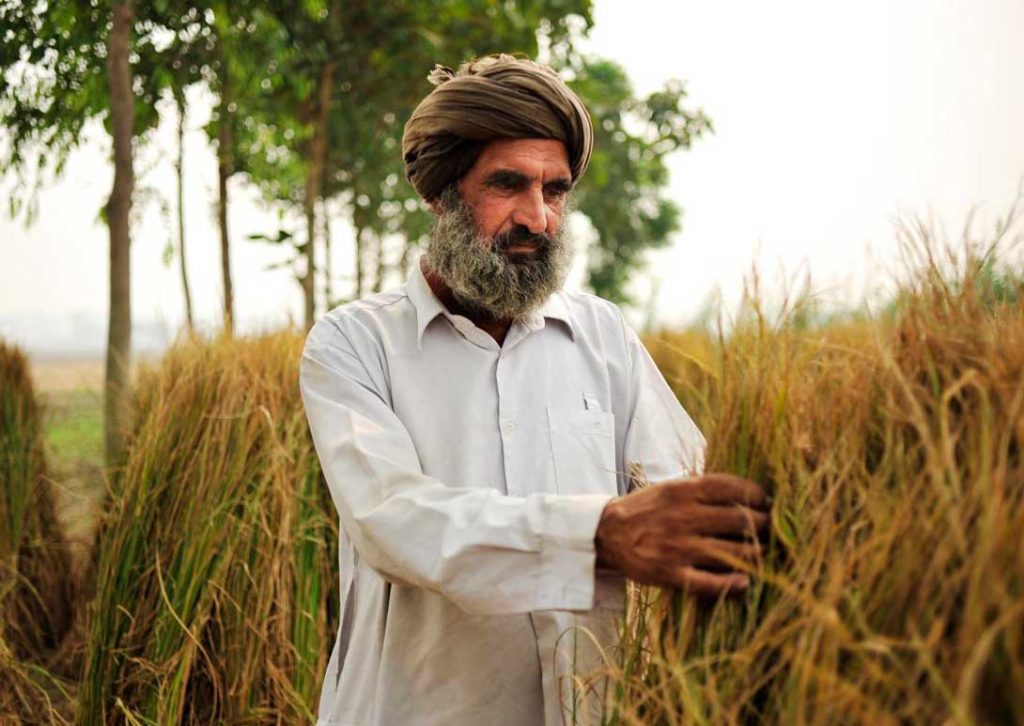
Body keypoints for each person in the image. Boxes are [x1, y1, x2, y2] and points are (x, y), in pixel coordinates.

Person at [300, 54, 770, 726]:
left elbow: (679, 487)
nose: (538, 218)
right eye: (508, 184)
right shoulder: (353, 344)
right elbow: (394, 523)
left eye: (555, 191)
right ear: (440, 194)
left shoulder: (602, 336)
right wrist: (599, 536)